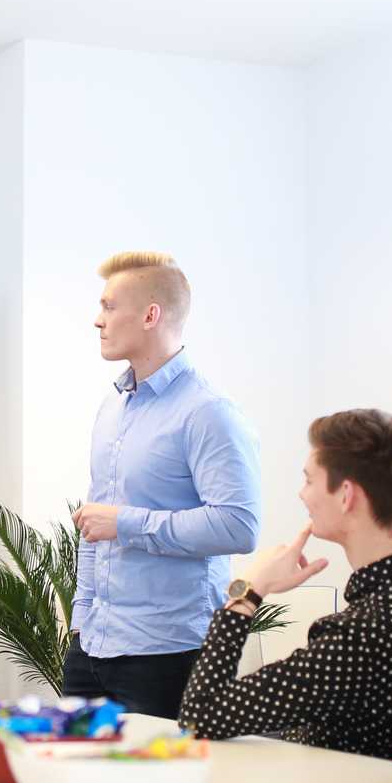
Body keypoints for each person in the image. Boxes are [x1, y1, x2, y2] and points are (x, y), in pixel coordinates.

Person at [179, 410, 392, 757]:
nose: (302, 494)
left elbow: (198, 716)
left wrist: (248, 589)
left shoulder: (359, 637)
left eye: (309, 480)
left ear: (346, 495)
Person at [64, 251, 262, 718]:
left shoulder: (208, 412)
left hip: (169, 654)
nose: (98, 320)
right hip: (92, 650)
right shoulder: (112, 408)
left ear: (151, 315)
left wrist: (126, 524)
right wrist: (80, 623)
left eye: (110, 307)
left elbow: (238, 526)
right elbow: (96, 524)